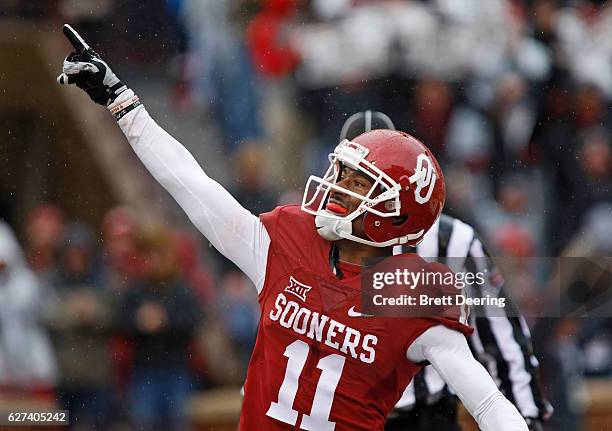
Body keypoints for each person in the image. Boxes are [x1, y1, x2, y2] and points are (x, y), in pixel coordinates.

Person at [56, 25, 528, 430]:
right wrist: (122, 102)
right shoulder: (286, 239)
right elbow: (188, 183)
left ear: (396, 216)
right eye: (342, 173)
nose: (336, 187)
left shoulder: (414, 291)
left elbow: (487, 403)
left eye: (359, 184)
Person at [340, 111, 552, 431]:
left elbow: (501, 337)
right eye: (351, 175)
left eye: (368, 176)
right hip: (340, 414)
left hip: (424, 417)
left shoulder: (451, 241)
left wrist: (526, 416)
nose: (357, 189)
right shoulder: (311, 235)